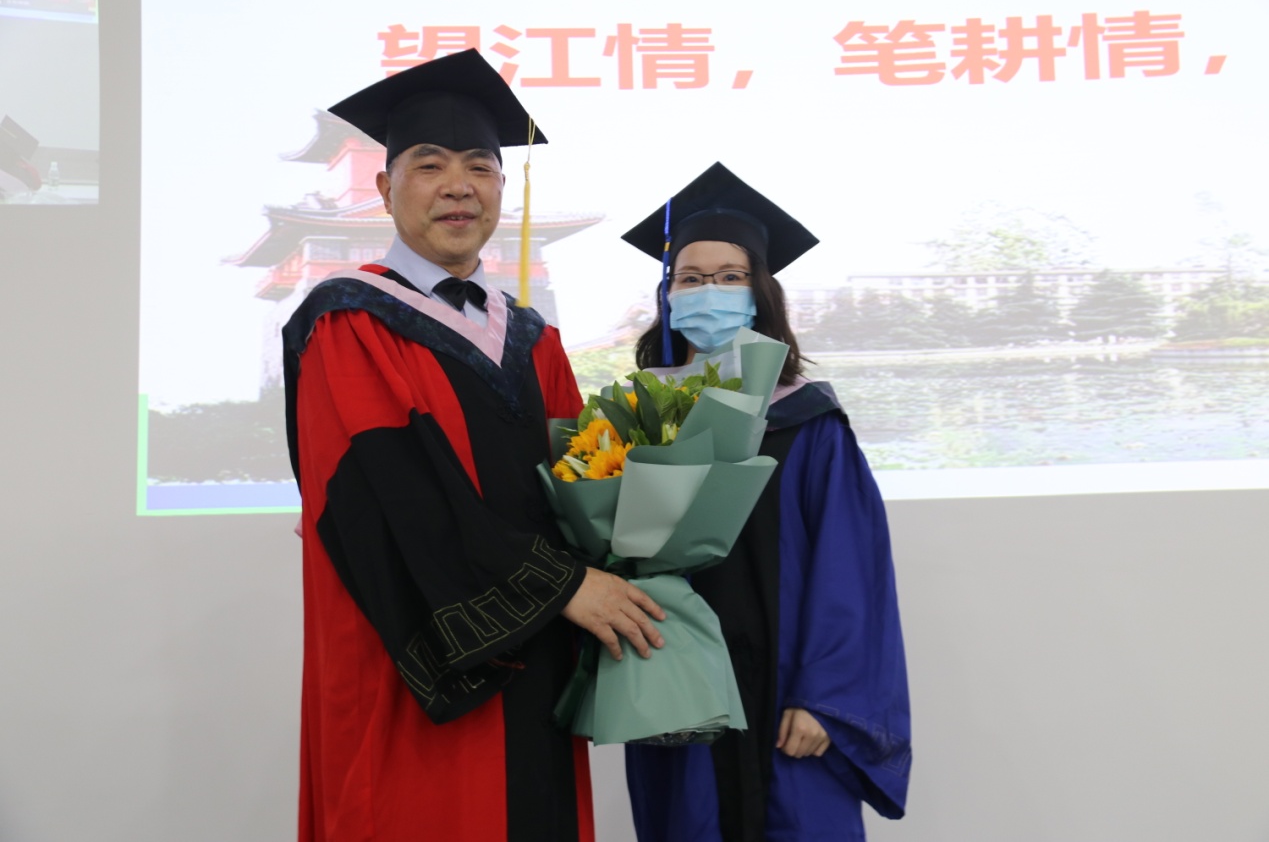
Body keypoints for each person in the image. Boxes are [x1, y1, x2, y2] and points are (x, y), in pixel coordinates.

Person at [281, 49, 665, 842]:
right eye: (429, 165)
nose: (458, 185)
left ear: (500, 189)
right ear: (385, 187)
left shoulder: (531, 337)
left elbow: (576, 486)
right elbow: (392, 497)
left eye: (480, 167)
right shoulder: (347, 321)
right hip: (418, 658)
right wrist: (562, 586)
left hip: (540, 654)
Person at [621, 163, 911, 841]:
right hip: (679, 688)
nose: (710, 292)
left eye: (731, 276)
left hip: (786, 697)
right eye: (691, 278)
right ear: (668, 295)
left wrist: (824, 698)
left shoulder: (806, 420)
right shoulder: (635, 416)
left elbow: (849, 569)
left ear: (760, 294)